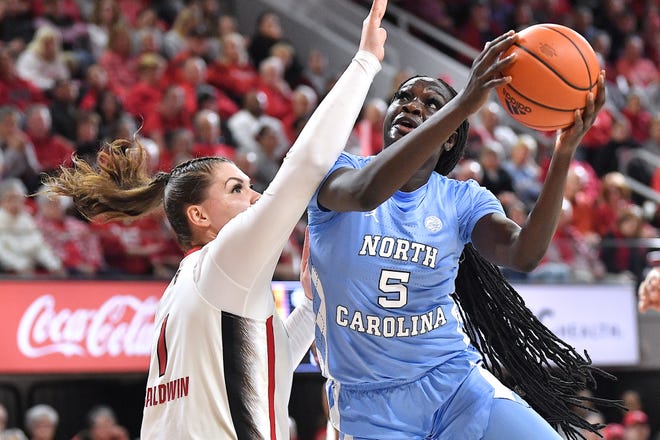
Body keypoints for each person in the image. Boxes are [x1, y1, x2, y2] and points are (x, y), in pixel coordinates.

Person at [42, 1, 387, 437]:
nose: (256, 196)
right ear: (199, 215)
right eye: (237, 189)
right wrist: (365, 62)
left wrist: (314, 300)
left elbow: (265, 368)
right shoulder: (223, 262)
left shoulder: (190, 286)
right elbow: (304, 166)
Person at [305, 30, 615, 439]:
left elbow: (523, 254)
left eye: (432, 104)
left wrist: (563, 153)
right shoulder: (337, 171)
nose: (413, 105)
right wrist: (463, 102)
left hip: (453, 383)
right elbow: (366, 194)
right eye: (404, 97)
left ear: (451, 134)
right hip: (367, 403)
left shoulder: (461, 199)